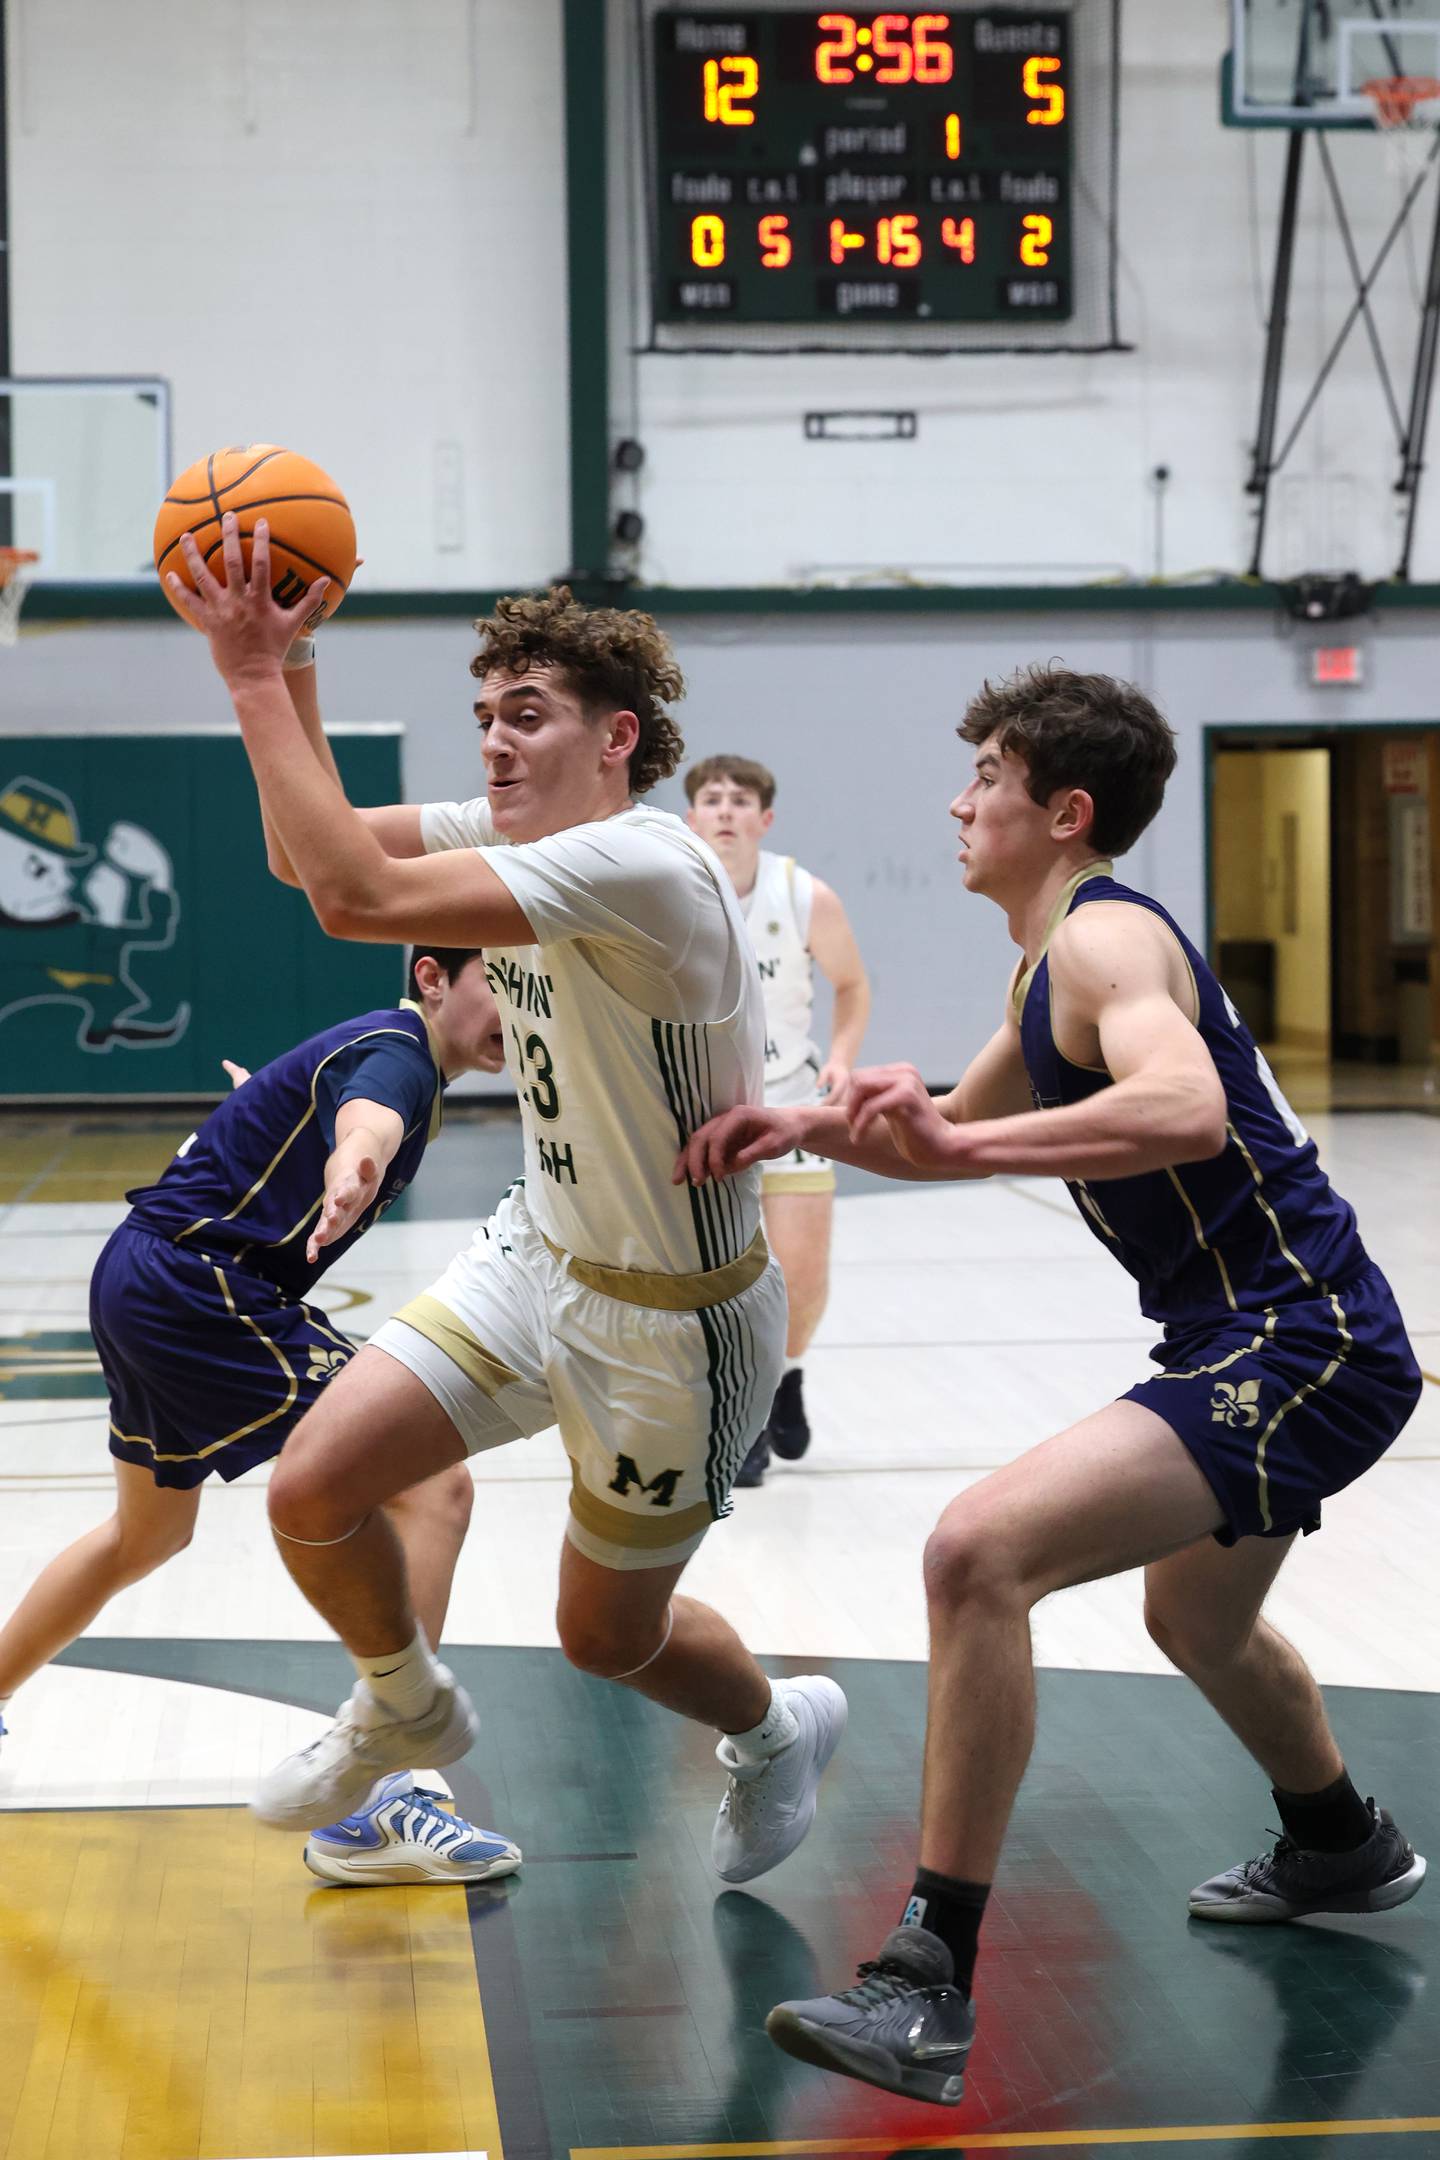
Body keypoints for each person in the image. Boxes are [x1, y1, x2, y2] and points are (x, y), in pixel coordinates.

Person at [678, 664, 1425, 2107]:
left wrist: (958, 1151)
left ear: (1063, 812)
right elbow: (950, 1124)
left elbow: (1183, 1104)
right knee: (1194, 1611)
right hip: (1259, 1336)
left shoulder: (1106, 944)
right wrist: (799, 1122)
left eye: (987, 783)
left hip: (1306, 1338)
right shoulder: (1044, 970)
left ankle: (926, 1982)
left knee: (978, 1550)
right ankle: (1340, 1840)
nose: (959, 804)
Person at [163, 525, 847, 1887]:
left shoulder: (645, 868)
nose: (491, 741)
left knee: (606, 1637)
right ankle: (403, 1706)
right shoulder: (520, 829)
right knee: (312, 1488)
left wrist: (245, 676)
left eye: (525, 716)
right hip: (540, 1251)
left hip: (676, 1321)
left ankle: (776, 1729)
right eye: (482, 715)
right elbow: (313, 861)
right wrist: (290, 663)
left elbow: (353, 897)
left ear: (616, 738)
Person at [0, 935, 525, 1888]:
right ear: (433, 978)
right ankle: (391, 1800)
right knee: (433, 1486)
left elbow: (337, 1105)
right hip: (201, 1287)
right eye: (503, 980)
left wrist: (286, 1119)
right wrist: (354, 1158)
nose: (522, 1006)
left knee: (146, 1537)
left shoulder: (383, 1054)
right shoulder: (399, 1057)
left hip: (143, 1273)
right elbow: (369, 1115)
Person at [684, 755, 870, 1483]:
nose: (725, 810)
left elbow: (851, 984)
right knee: (719, 1278)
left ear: (765, 820)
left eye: (740, 800)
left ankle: (787, 1374)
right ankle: (748, 1410)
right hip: (704, 1113)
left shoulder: (804, 897)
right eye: (711, 798)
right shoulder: (673, 892)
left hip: (792, 1102)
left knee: (803, 1276)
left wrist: (845, 1059)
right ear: (691, 817)